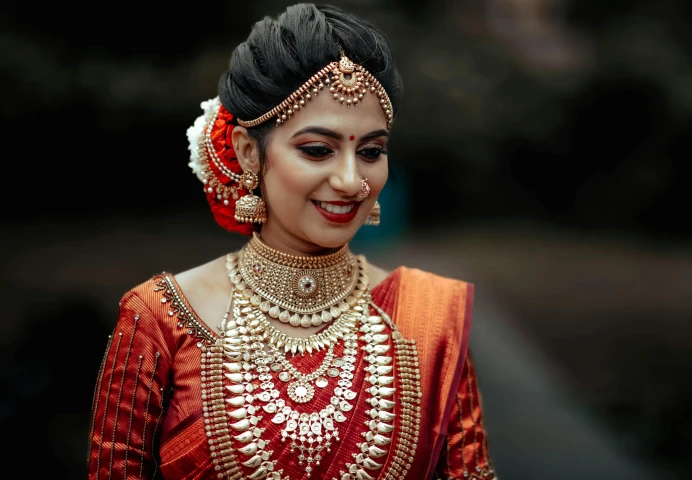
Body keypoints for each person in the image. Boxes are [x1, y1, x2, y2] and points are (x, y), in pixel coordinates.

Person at [87, 4, 497, 479]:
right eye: (317, 150)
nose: (350, 180)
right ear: (247, 152)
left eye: (370, 152)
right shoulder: (161, 317)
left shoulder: (431, 321)